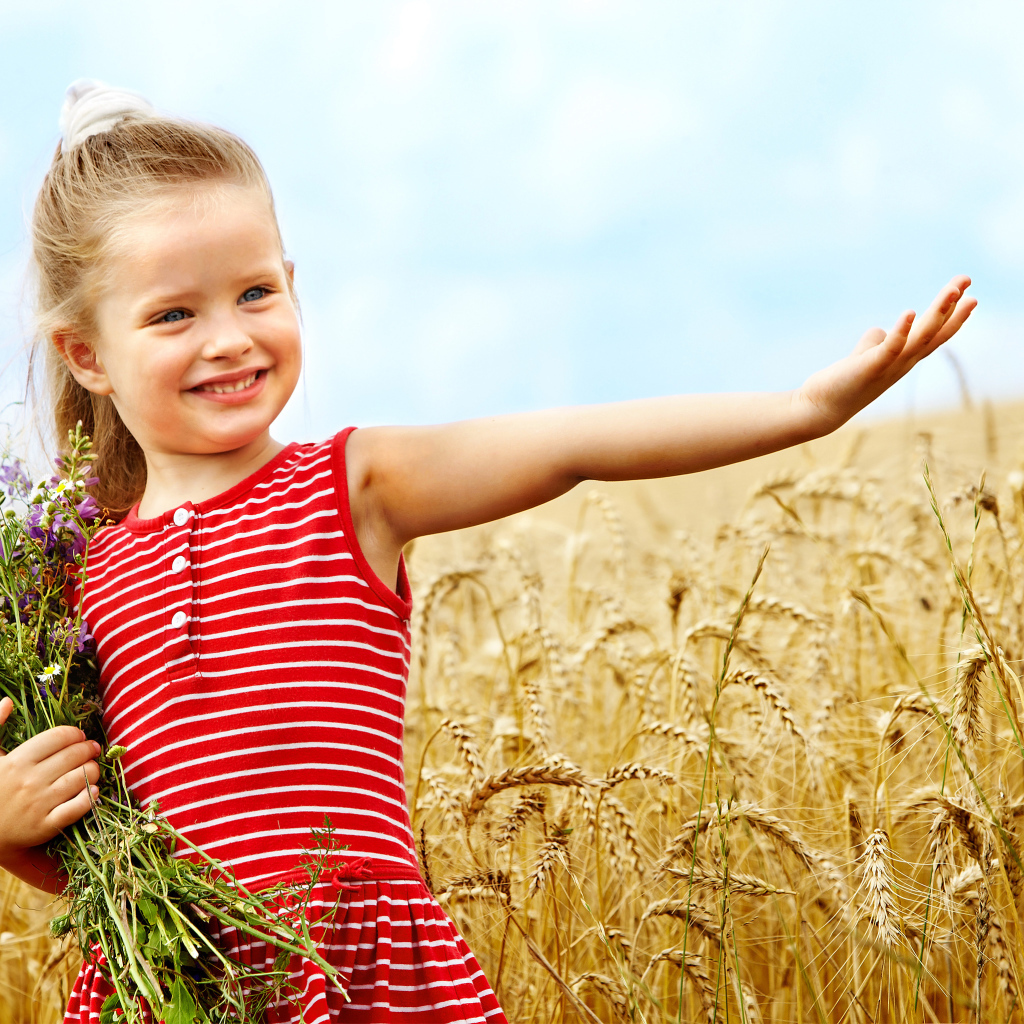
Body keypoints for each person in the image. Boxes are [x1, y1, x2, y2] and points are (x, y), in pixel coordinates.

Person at [0, 80, 976, 1024]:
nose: (229, 338)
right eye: (175, 314)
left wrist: (805, 409)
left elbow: (571, 448)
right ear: (86, 352)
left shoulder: (351, 485)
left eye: (255, 292)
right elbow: (88, 841)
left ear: (293, 286)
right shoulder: (64, 577)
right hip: (171, 982)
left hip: (364, 980)